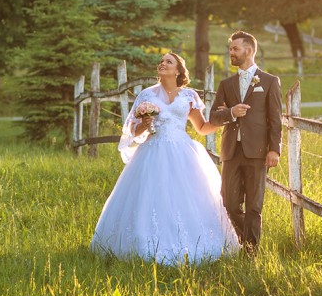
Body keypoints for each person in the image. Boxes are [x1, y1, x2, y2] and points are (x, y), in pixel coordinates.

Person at [90, 52, 241, 265]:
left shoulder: (189, 96)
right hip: (152, 151)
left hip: (183, 151)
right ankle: (141, 244)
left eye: (168, 62)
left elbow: (202, 127)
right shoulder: (146, 95)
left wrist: (229, 116)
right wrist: (144, 124)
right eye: (161, 61)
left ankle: (197, 244)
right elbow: (132, 130)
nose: (162, 64)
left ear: (178, 70)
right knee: (148, 197)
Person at [209, 31, 282, 254]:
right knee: (228, 203)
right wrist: (231, 112)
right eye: (230, 49)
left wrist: (274, 149)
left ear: (248, 51)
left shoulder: (269, 81)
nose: (231, 53)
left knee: (254, 205)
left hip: (258, 152)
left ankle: (250, 253)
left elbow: (275, 118)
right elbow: (213, 117)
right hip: (231, 151)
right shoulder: (226, 84)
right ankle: (243, 240)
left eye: (235, 49)